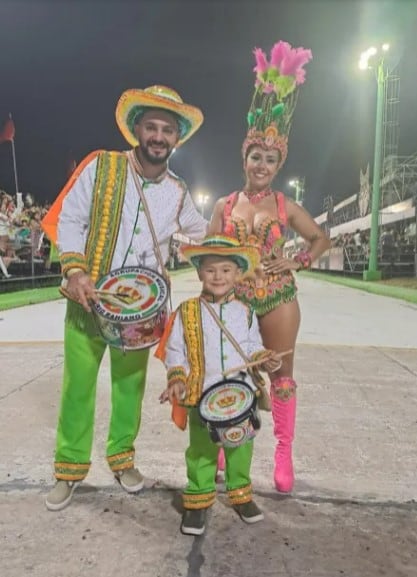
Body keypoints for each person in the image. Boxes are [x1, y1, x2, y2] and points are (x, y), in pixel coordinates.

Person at [42, 85, 208, 511]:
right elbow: (73, 219)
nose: (158, 136)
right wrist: (76, 270)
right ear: (137, 130)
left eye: (167, 130)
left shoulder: (177, 191)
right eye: (151, 126)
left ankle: (122, 459)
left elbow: (203, 232)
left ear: (176, 138)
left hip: (140, 311)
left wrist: (241, 227)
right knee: (78, 387)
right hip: (88, 298)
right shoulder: (101, 166)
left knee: (129, 388)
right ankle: (69, 469)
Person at [208, 41, 331, 493]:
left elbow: (321, 238)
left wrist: (298, 259)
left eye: (271, 159)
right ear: (244, 159)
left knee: (281, 376)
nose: (262, 165)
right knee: (232, 373)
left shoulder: (285, 204)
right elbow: (208, 254)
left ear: (279, 164)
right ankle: (224, 446)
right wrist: (214, 287)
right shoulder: (225, 204)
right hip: (236, 299)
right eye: (255, 157)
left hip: (278, 298)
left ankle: (283, 451)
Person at [157, 235, 283, 536]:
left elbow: (252, 346)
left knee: (241, 447)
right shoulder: (186, 312)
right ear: (200, 272)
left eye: (226, 270)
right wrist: (177, 378)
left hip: (240, 396)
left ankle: (241, 494)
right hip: (202, 396)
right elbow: (176, 351)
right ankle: (198, 500)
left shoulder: (246, 312)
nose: (218, 277)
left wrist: (264, 358)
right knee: (201, 451)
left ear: (238, 274)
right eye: (211, 270)